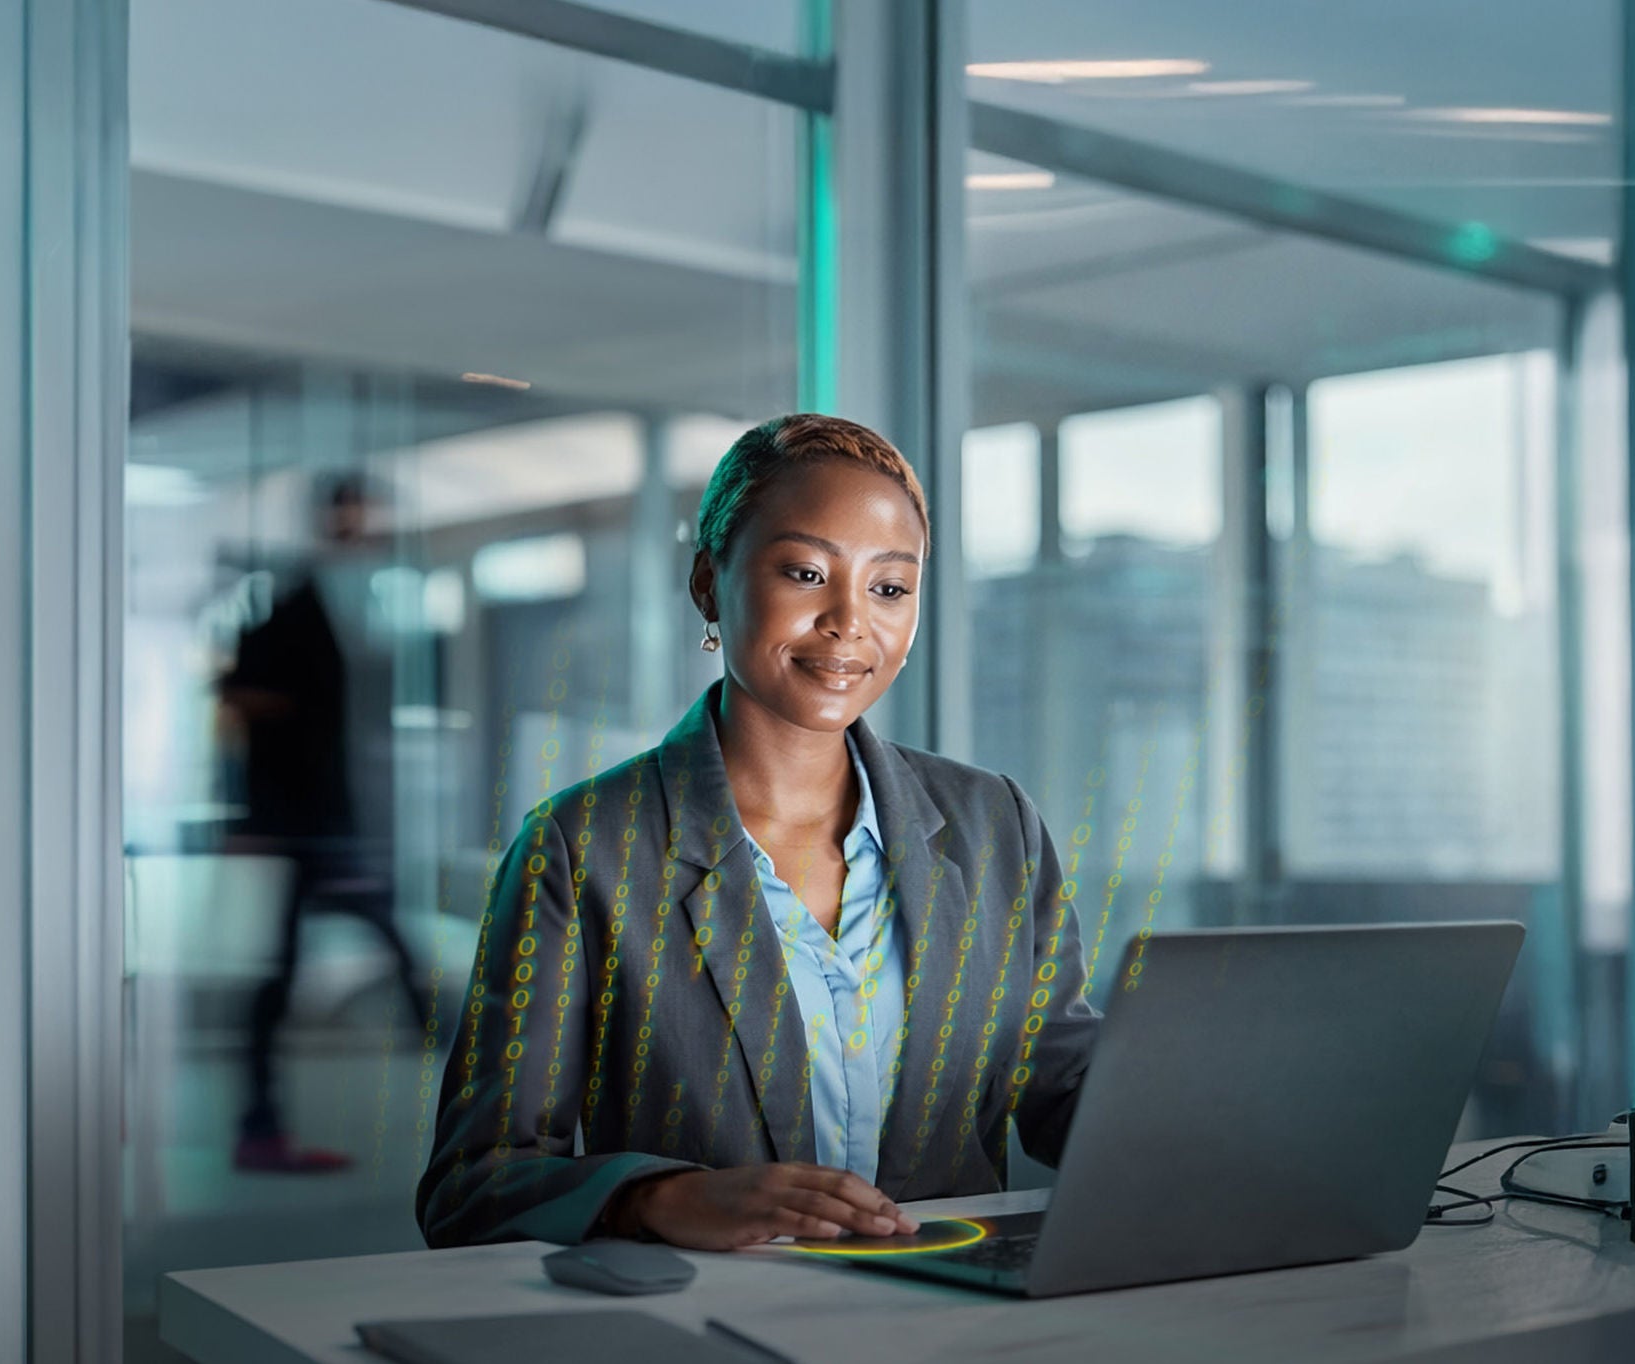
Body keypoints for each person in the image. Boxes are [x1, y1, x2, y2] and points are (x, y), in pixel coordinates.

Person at [417, 414, 1100, 1249]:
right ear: (710, 581)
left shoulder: (996, 825)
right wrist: (661, 1198)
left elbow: (1065, 1090)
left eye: (889, 587)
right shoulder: (582, 846)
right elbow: (472, 1180)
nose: (850, 621)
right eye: (808, 573)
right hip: (708, 1322)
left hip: (951, 1323)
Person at [221, 470, 432, 1174]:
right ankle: (260, 1126)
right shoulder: (290, 613)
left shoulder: (355, 606)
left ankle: (261, 1124)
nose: (365, 532)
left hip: (328, 822)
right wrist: (263, 816)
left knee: (368, 952)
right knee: (290, 974)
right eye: (354, 518)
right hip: (304, 827)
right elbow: (254, 711)